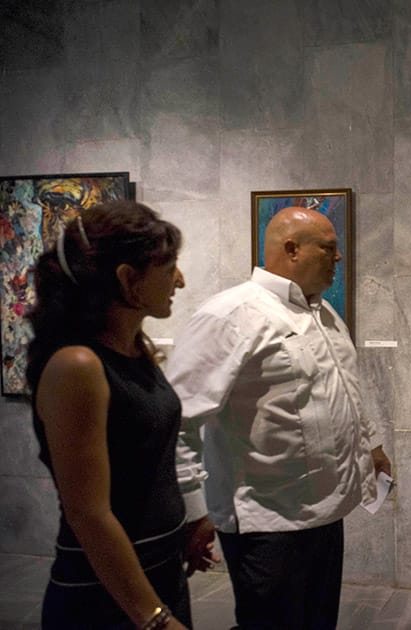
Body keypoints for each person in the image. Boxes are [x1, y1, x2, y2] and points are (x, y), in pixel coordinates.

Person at [167, 206, 391, 630]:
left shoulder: (323, 314)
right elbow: (178, 420)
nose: (338, 258)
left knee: (316, 621)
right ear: (292, 249)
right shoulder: (230, 315)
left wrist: (372, 447)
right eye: (329, 247)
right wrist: (194, 511)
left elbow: (346, 388)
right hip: (266, 521)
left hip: (326, 513)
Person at [27, 200, 214, 629]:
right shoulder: (78, 366)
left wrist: (187, 520)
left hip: (156, 571)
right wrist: (154, 619)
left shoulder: (135, 351)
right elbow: (88, 514)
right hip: (105, 597)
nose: (180, 281)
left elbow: (151, 456)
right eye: (169, 269)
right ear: (128, 280)